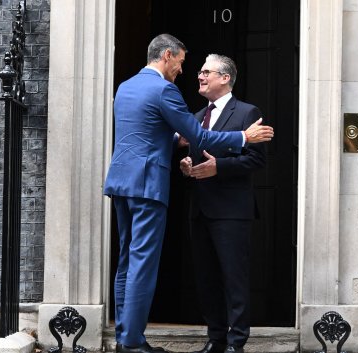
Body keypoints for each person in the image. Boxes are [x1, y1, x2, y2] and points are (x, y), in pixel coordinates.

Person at [103, 34, 274, 353]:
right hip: (147, 183)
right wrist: (243, 137)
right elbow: (198, 134)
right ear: (167, 56)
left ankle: (125, 336)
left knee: (126, 259)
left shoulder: (125, 87)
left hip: (121, 180)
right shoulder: (164, 90)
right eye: (180, 63)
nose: (183, 70)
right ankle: (132, 342)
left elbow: (147, 133)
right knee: (142, 262)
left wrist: (175, 143)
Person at [180, 54, 266, 353]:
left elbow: (257, 159)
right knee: (206, 279)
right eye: (200, 72)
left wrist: (221, 167)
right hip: (200, 208)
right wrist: (187, 164)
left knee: (234, 278)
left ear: (225, 77)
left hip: (232, 210)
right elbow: (193, 153)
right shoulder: (196, 116)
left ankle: (236, 342)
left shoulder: (246, 112)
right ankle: (215, 339)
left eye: (206, 72)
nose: (200, 76)